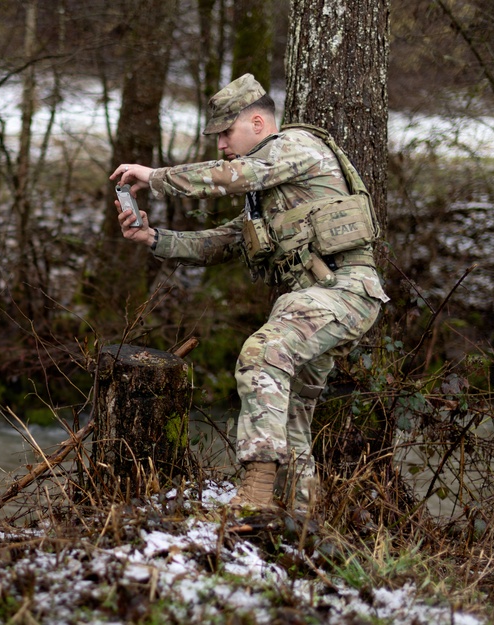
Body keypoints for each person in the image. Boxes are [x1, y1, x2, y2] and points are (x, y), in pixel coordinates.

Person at [109, 74, 389, 512]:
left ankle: (255, 497)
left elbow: (230, 176)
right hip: (315, 300)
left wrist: (156, 177)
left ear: (257, 123)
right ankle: (299, 519)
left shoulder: (294, 147)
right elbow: (226, 241)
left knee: (262, 354)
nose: (220, 144)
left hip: (345, 292)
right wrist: (153, 238)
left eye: (225, 133)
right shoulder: (269, 190)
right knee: (293, 410)